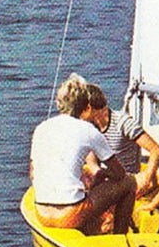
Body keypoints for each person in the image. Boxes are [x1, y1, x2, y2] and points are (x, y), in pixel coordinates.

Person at [28, 73, 136, 235]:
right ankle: (119, 239)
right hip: (70, 215)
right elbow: (119, 173)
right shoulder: (89, 131)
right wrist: (101, 175)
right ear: (86, 107)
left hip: (42, 213)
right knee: (129, 182)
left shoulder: (41, 128)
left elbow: (33, 174)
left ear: (59, 104)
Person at [85, 83, 159, 201]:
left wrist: (147, 179)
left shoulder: (123, 122)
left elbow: (156, 150)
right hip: (109, 182)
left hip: (130, 179)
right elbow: (92, 163)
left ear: (88, 108)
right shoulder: (88, 128)